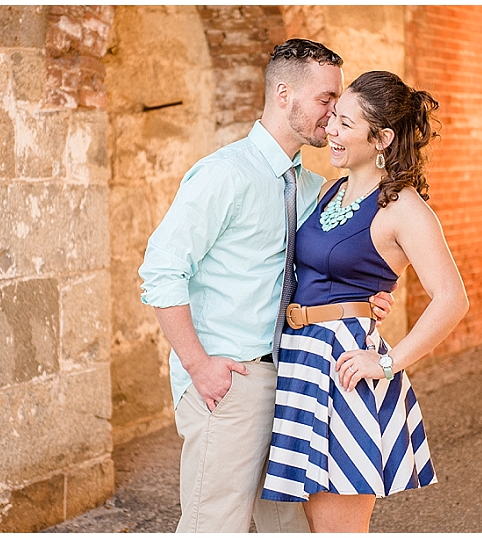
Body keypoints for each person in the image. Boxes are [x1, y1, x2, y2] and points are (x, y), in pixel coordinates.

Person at [138, 40, 395, 533]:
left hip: (295, 379)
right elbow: (161, 270)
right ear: (283, 94)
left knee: (290, 528)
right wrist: (199, 365)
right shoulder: (224, 175)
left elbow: (323, 267)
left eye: (338, 104)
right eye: (326, 100)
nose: (333, 114)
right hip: (230, 382)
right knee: (214, 526)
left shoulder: (315, 186)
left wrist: (362, 299)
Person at [260, 71, 470, 533]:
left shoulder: (403, 208)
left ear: (382, 138)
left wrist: (388, 362)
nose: (330, 129)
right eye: (333, 117)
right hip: (301, 362)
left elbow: (452, 299)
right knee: (303, 523)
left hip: (344, 372)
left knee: (336, 528)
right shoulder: (331, 191)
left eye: (345, 124)